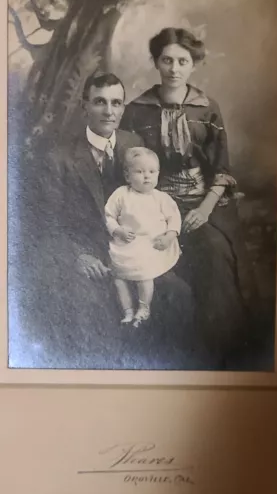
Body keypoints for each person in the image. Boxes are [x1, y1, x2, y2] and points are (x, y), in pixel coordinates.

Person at [15, 71, 193, 369]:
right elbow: (47, 223)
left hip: (135, 251)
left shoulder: (133, 143)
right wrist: (80, 256)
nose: (109, 111)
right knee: (88, 306)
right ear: (85, 105)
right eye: (99, 102)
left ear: (123, 107)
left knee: (179, 295)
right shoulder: (59, 158)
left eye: (116, 103)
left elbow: (149, 201)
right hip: (86, 252)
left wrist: (162, 236)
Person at [121, 27, 256, 366]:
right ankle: (162, 353)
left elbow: (222, 168)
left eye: (182, 61)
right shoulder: (138, 110)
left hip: (201, 204)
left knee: (214, 254)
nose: (174, 68)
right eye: (166, 60)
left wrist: (205, 210)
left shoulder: (208, 108)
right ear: (156, 62)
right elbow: (129, 163)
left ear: (193, 64)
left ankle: (220, 354)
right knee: (154, 265)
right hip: (151, 205)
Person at [105, 147, 181, 327]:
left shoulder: (161, 198)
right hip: (126, 244)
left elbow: (174, 219)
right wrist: (117, 230)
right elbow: (108, 216)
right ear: (127, 175)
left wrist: (169, 236)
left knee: (144, 274)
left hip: (152, 244)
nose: (146, 176)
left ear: (158, 174)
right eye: (139, 171)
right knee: (118, 277)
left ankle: (143, 307)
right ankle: (127, 311)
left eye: (152, 172)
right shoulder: (121, 194)